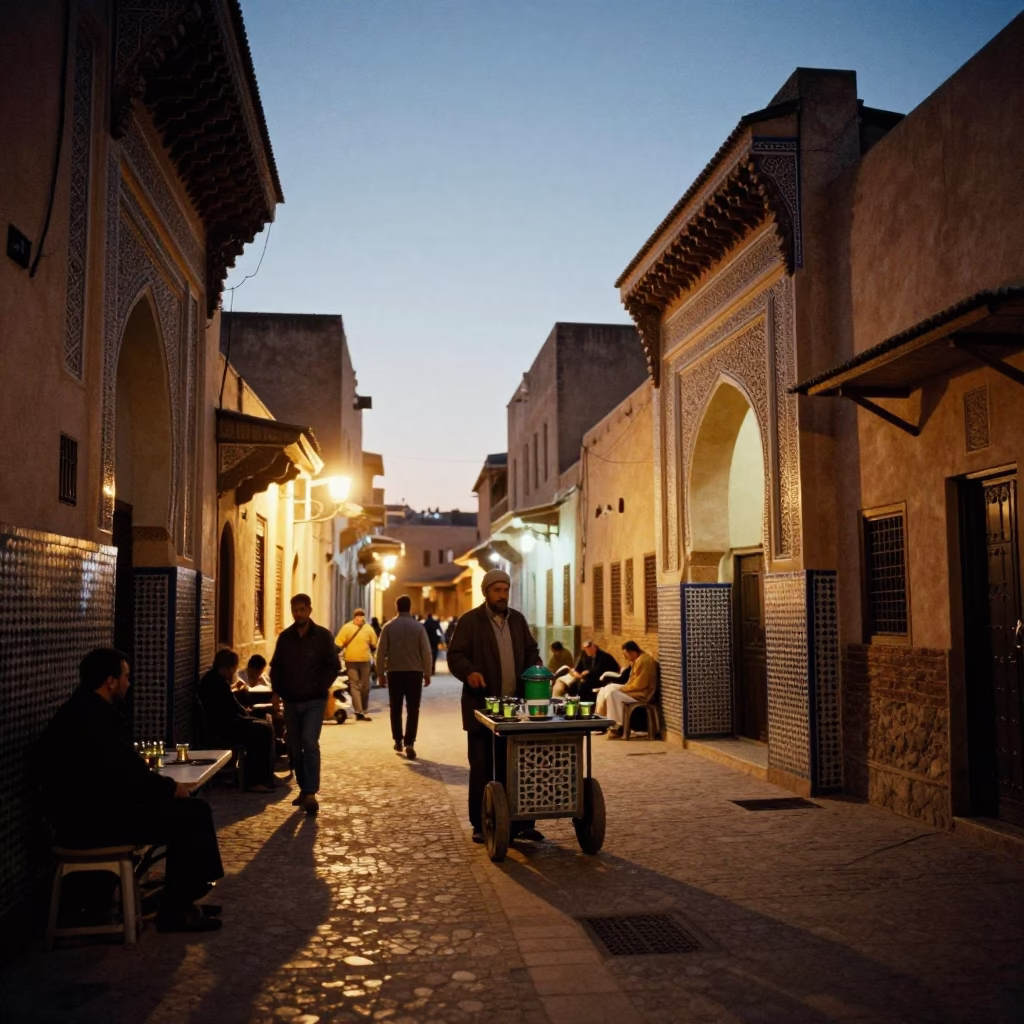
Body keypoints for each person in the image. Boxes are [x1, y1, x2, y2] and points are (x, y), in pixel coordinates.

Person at [37, 648, 224, 933]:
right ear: (110, 681)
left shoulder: (86, 710)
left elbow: (121, 770)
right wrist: (171, 788)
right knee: (192, 814)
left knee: (190, 811)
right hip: (90, 825)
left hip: (91, 814)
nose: (129, 683)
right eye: (126, 676)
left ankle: (182, 898)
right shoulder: (93, 718)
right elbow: (127, 772)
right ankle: (179, 907)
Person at [447, 568, 543, 845]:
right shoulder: (470, 621)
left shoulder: (517, 620)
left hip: (515, 710)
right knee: (481, 766)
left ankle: (522, 823)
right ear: (486, 592)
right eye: (496, 590)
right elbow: (456, 655)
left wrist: (536, 666)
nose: (502, 596)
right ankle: (482, 823)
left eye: (505, 590)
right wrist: (469, 672)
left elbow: (531, 650)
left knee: (517, 766)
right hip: (482, 708)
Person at [270, 594, 341, 814]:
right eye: (295, 610)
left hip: (313, 701)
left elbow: (333, 665)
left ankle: (311, 792)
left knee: (310, 742)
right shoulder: (285, 638)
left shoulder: (323, 636)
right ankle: (303, 788)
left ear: (309, 610)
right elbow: (277, 668)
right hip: (291, 701)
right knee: (295, 747)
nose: (298, 613)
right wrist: (277, 693)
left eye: (302, 609)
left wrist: (320, 687)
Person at [198, 649, 276, 792]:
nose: (233, 672)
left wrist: (247, 716)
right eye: (233, 669)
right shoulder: (215, 683)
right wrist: (246, 719)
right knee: (262, 731)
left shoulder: (216, 680)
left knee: (265, 725)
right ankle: (253, 781)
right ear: (228, 668)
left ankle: (264, 778)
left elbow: (232, 705)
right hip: (223, 728)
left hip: (227, 723)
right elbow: (227, 712)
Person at [375, 594, 433, 760]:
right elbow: (426, 652)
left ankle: (398, 740)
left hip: (394, 672)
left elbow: (380, 652)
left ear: (396, 607)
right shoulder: (418, 627)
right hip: (414, 673)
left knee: (395, 707)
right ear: (410, 607)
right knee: (413, 708)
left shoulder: (388, 627)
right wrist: (427, 673)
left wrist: (380, 673)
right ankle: (410, 742)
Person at [597, 641, 659, 737]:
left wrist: (622, 689)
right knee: (607, 688)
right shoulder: (638, 660)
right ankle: (601, 720)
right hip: (634, 689)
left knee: (612, 694)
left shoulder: (644, 661)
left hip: (642, 693)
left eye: (626, 655)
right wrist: (623, 688)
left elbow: (640, 685)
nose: (626, 658)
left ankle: (617, 727)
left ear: (632, 652)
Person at [335, 608, 377, 721]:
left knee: (366, 686)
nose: (360, 618)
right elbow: (339, 642)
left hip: (365, 661)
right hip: (351, 660)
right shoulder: (347, 628)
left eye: (361, 616)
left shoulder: (368, 629)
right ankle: (359, 710)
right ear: (354, 617)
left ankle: (364, 707)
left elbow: (374, 644)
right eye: (358, 616)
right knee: (354, 685)